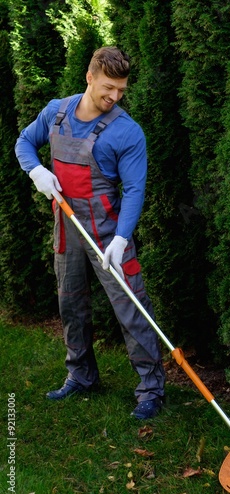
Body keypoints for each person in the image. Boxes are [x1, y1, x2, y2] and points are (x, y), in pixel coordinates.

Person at [15, 46, 165, 420]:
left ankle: (151, 390)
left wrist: (121, 239)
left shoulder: (127, 132)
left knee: (131, 308)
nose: (114, 97)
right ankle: (81, 376)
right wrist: (35, 170)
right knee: (71, 302)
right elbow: (23, 143)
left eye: (121, 90)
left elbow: (134, 190)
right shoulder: (56, 112)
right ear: (90, 77)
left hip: (107, 230)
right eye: (108, 87)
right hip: (66, 224)